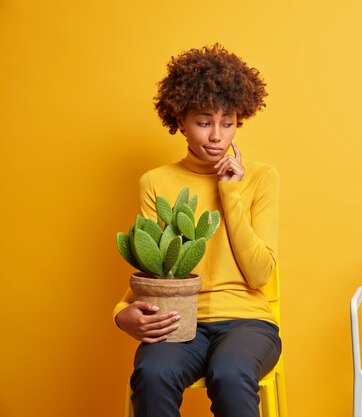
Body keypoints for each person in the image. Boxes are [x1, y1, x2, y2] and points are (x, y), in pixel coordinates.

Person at [113, 44, 281, 417]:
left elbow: (259, 275)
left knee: (230, 372)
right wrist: (121, 311)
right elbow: (156, 263)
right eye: (204, 122)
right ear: (181, 120)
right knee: (153, 373)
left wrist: (230, 193)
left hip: (248, 322)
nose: (218, 135)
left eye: (229, 121)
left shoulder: (261, 178)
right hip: (178, 319)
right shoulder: (156, 181)